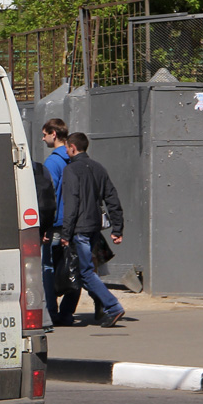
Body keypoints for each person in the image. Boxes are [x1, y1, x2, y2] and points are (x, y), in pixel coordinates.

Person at [60, 132, 126, 328]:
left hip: (79, 229)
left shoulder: (70, 170)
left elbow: (71, 204)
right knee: (85, 272)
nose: (66, 151)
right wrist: (117, 228)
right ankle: (74, 312)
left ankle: (113, 307)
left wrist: (65, 233)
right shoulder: (99, 168)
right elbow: (112, 198)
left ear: (72, 148)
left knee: (86, 272)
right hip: (94, 228)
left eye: (67, 148)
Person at [38, 119, 76, 324]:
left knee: (48, 267)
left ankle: (52, 312)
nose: (43, 138)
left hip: (56, 223)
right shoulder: (73, 158)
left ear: (53, 134)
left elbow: (49, 195)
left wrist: (44, 225)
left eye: (44, 134)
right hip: (73, 221)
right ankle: (68, 312)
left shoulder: (52, 162)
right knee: (73, 265)